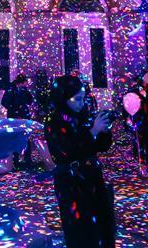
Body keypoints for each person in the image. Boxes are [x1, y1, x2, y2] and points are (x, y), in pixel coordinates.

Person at [44, 75, 116, 248]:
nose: (81, 103)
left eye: (83, 99)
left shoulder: (82, 115)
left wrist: (104, 131)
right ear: (63, 96)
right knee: (80, 229)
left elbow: (101, 147)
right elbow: (66, 151)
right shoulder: (53, 120)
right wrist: (92, 132)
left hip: (93, 178)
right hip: (71, 182)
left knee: (102, 223)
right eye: (76, 99)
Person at [1, 73, 34, 169]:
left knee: (26, 137)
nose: (26, 84)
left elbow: (29, 101)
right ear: (21, 82)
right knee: (15, 137)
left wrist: (26, 94)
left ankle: (27, 160)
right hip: (14, 117)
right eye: (25, 83)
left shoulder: (24, 90)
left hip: (24, 116)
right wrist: (15, 110)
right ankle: (16, 161)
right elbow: (4, 102)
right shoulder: (11, 89)